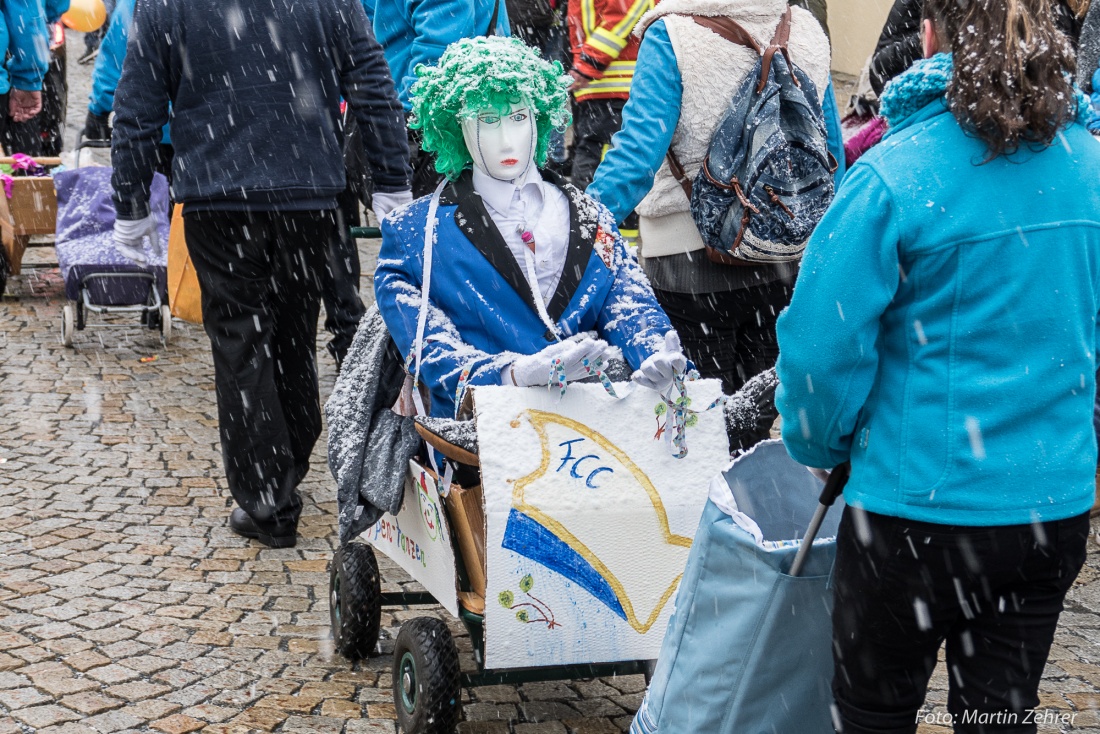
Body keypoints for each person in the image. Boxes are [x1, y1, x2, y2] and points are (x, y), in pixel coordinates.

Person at [774, 0, 1100, 728]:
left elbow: (821, 350)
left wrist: (821, 444)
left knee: (871, 712)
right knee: (998, 716)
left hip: (912, 510)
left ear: (931, 37)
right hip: (1047, 508)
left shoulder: (894, 175)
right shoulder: (1092, 171)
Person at [111, 0, 412, 548]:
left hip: (220, 195)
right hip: (306, 193)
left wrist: (131, 202)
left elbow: (137, 105)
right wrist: (391, 178)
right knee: (292, 332)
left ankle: (270, 499)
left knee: (242, 342)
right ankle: (287, 462)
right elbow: (372, 85)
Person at [374, 36, 686, 421]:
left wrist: (653, 351)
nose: (506, 138)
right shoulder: (412, 234)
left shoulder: (590, 216)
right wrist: (513, 374)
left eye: (519, 117)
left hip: (595, 431)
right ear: (455, 127)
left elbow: (626, 304)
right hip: (482, 446)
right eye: (486, 120)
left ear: (538, 116)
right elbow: (430, 351)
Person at [587, 0, 831, 450]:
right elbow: (829, 150)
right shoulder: (807, 31)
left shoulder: (673, 34)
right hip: (781, 260)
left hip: (687, 269)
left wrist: (577, 234)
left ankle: (702, 514)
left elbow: (634, 160)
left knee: (690, 435)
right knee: (750, 434)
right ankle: (747, 511)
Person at [365, 0, 510, 197]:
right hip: (463, 117)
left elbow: (439, 52)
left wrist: (404, 116)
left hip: (436, 127)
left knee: (437, 219)